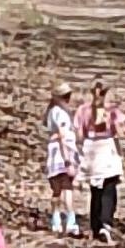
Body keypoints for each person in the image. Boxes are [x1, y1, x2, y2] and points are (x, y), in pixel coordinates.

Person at [80, 80, 125, 241]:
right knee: (109, 187)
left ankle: (95, 226)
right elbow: (121, 133)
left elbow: (80, 134)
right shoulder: (113, 112)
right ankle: (106, 222)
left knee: (95, 190)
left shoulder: (83, 111)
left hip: (91, 149)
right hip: (108, 149)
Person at [44, 83, 82, 235]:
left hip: (54, 152)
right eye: (66, 96)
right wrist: (68, 159)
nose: (68, 99)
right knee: (66, 188)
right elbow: (62, 136)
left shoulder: (53, 112)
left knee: (57, 190)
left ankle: (56, 220)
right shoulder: (60, 113)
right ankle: (70, 221)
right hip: (62, 152)